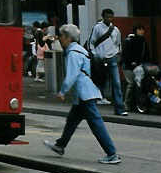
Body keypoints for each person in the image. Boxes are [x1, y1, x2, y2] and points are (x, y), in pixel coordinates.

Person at [43, 24, 122, 164]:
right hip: (83, 94)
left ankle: (112, 153)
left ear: (67, 37)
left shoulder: (73, 53)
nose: (60, 39)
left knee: (96, 124)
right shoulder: (79, 50)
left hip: (85, 94)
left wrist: (62, 91)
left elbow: (72, 75)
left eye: (61, 36)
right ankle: (60, 145)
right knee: (72, 121)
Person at [86, 9, 127, 115]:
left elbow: (118, 44)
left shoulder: (115, 30)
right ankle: (94, 103)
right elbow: (91, 42)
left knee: (116, 83)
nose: (109, 19)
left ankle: (119, 108)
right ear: (103, 17)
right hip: (100, 58)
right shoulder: (97, 28)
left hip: (112, 58)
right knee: (99, 80)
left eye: (111, 17)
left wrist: (117, 54)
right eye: (107, 17)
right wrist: (95, 55)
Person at [122, 24, 150, 107]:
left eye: (142, 29)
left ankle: (135, 103)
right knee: (131, 84)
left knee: (138, 83)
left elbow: (146, 54)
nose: (142, 31)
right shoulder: (129, 40)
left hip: (139, 65)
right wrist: (131, 62)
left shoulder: (143, 40)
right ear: (135, 31)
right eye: (140, 29)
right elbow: (126, 54)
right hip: (128, 66)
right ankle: (126, 103)